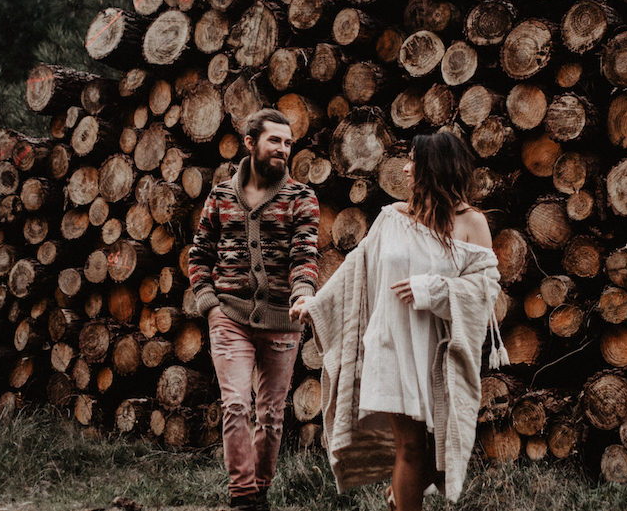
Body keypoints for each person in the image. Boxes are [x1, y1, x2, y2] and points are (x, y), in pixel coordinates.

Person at [290, 131, 506, 511]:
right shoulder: (391, 219)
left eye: (414, 162)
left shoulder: (471, 223)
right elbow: (357, 266)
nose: (405, 169)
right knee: (409, 446)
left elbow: (485, 290)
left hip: (438, 352)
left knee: (442, 453)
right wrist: (315, 302)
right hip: (390, 345)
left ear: (434, 170)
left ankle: (398, 496)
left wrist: (434, 289)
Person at [188, 108, 320, 511]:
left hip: (284, 318)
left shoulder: (302, 197)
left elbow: (305, 255)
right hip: (229, 315)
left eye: (287, 142)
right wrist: (209, 304)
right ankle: (243, 497)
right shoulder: (221, 195)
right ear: (250, 143)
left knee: (272, 413)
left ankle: (260, 489)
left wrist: (302, 292)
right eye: (274, 140)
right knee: (235, 405)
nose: (283, 149)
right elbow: (199, 254)